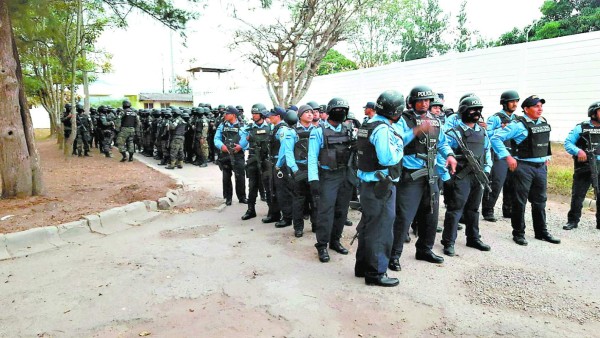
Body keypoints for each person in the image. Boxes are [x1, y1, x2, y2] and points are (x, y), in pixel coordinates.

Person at [389, 85, 457, 271]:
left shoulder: (435, 121)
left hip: (431, 174)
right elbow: (396, 142)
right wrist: (416, 130)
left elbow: (442, 143)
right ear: (411, 102)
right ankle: (393, 255)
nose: (425, 103)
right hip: (410, 176)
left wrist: (450, 155)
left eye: (427, 100)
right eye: (421, 100)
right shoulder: (402, 120)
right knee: (403, 217)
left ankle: (424, 249)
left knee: (431, 215)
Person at [490, 95, 561, 246]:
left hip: (540, 168)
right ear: (526, 109)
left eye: (541, 106)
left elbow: (543, 141)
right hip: (523, 167)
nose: (540, 108)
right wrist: (507, 157)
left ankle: (541, 232)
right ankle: (518, 233)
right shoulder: (517, 125)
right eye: (536, 106)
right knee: (519, 201)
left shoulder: (543, 122)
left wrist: (547, 156)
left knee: (540, 201)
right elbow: (496, 138)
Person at [354, 90, 404, 287]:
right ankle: (376, 273)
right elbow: (387, 158)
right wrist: (400, 145)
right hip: (380, 185)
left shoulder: (368, 123)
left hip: (368, 185)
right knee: (381, 229)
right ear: (396, 111)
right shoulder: (382, 129)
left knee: (368, 226)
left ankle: (362, 267)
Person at [440, 96, 492, 256]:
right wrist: (446, 174)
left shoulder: (482, 131)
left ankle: (473, 237)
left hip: (478, 175)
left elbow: (487, 151)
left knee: (474, 209)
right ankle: (448, 241)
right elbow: (444, 151)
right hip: (461, 176)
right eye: (472, 109)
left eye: (479, 110)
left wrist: (488, 168)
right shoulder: (455, 132)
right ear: (463, 111)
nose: (476, 113)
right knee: (455, 209)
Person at [308, 97, 355, 263]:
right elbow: (312, 157)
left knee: (342, 211)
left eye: (344, 110)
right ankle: (322, 245)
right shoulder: (318, 131)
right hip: (328, 176)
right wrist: (313, 180)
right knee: (325, 212)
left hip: (345, 175)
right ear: (328, 112)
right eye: (337, 110)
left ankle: (335, 241)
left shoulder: (349, 129)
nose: (340, 113)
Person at [482, 90, 520, 222]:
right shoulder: (495, 118)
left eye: (516, 101)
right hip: (499, 154)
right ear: (504, 103)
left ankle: (508, 209)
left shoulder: (517, 119)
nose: (515, 104)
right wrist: (502, 128)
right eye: (512, 101)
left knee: (511, 183)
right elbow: (487, 133)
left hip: (513, 154)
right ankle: (488, 210)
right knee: (496, 182)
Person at [563, 101, 600, 231]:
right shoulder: (581, 128)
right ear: (593, 113)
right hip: (584, 166)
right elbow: (568, 143)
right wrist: (578, 151)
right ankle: (572, 221)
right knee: (578, 195)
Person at [281, 105, 316, 237]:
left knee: (315, 199)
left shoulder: (317, 130)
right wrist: (295, 170)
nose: (310, 114)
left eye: (311, 112)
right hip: (299, 169)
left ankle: (316, 225)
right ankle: (298, 227)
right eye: (306, 112)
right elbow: (288, 152)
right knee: (298, 200)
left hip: (313, 169)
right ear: (300, 115)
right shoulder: (292, 131)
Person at [241, 103, 276, 221]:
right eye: (253, 113)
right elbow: (242, 141)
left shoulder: (270, 127)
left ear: (262, 114)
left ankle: (272, 211)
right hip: (253, 160)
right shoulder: (249, 127)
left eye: (256, 113)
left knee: (268, 187)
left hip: (266, 160)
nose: (254, 115)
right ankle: (251, 210)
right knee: (252, 186)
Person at [214, 105, 248, 206]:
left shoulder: (242, 126)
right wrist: (221, 146)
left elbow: (246, 139)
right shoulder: (222, 125)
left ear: (233, 115)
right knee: (226, 177)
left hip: (238, 155)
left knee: (240, 177)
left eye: (227, 114)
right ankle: (228, 198)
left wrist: (240, 146)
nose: (225, 115)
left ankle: (242, 197)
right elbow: (216, 138)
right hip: (225, 155)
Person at [268, 107, 294, 227]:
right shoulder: (276, 128)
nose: (269, 117)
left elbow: (284, 149)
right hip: (275, 162)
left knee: (283, 191)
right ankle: (275, 214)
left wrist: (279, 164)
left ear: (278, 116)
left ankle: (287, 217)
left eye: (271, 115)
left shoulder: (282, 129)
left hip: (281, 164)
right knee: (274, 189)